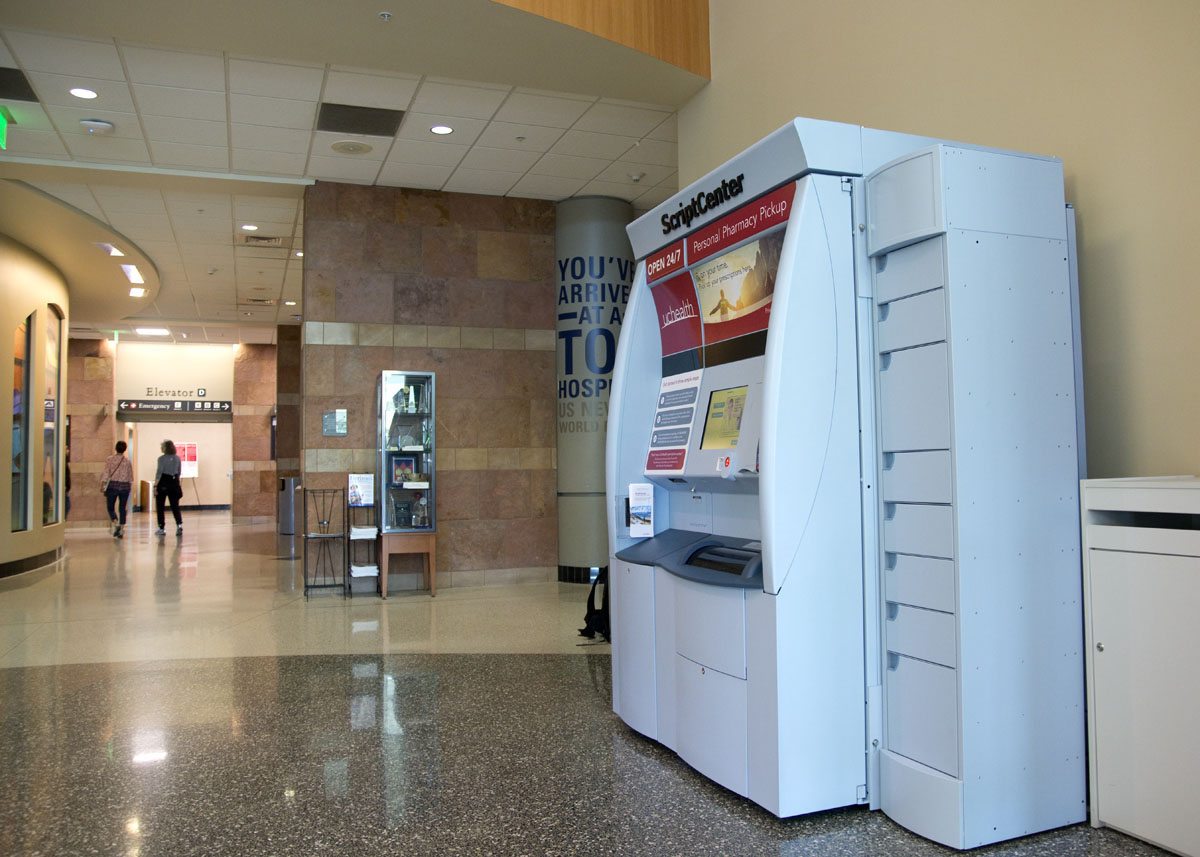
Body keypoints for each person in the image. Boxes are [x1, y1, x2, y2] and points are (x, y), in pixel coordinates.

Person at [99, 440, 133, 538]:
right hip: (125, 487)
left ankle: (116, 522)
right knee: (122, 508)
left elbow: (106, 473)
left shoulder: (110, 459)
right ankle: (122, 530)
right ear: (125, 449)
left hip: (112, 486)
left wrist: (103, 484)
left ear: (116, 448)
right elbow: (130, 477)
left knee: (110, 507)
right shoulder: (127, 461)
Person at [154, 439, 183, 537]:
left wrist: (155, 486)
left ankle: (161, 528)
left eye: (162, 446)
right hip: (174, 482)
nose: (161, 448)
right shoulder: (177, 458)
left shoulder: (161, 459)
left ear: (165, 448)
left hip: (163, 483)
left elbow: (159, 473)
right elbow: (179, 472)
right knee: (175, 505)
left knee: (160, 506)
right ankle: (179, 525)